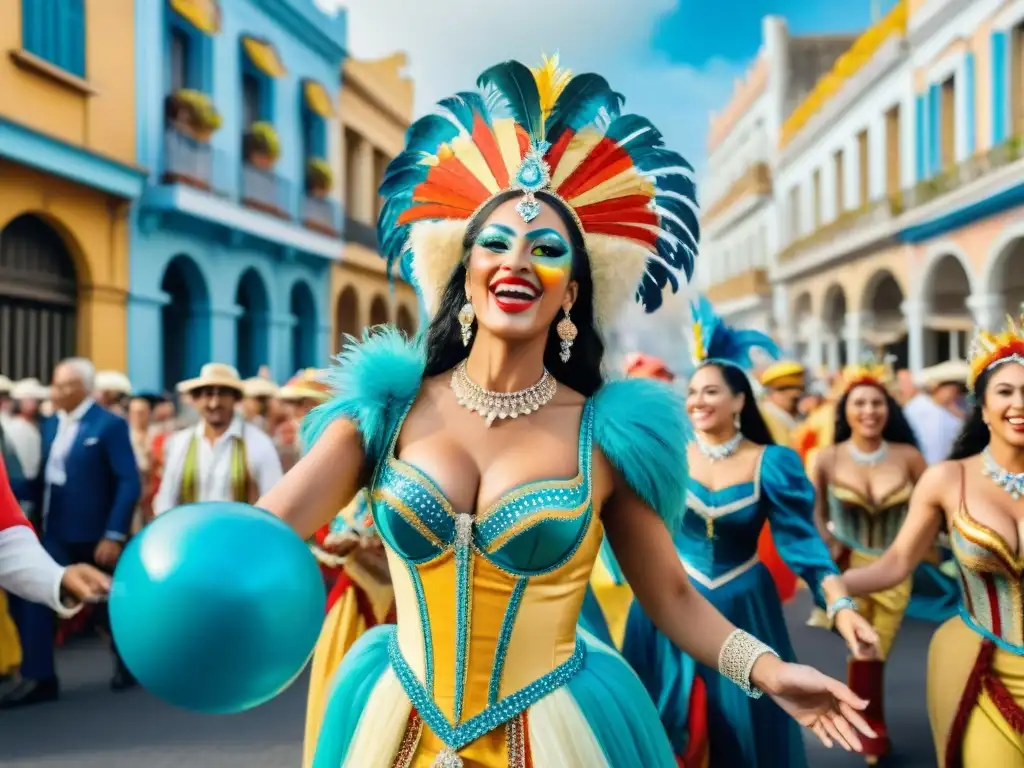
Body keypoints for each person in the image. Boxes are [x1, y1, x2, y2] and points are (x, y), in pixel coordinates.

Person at [248, 57, 874, 766]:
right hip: (399, 728)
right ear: (466, 270)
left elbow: (669, 595)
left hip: (553, 734)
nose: (516, 262)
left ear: (572, 293)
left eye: (545, 249)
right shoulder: (384, 413)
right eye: (495, 242)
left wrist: (767, 670)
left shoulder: (608, 436)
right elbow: (262, 534)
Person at [622, 295, 878, 767]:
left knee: (741, 735)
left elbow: (805, 547)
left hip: (745, 606)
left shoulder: (773, 463)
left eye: (712, 391)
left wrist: (842, 608)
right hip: (666, 605)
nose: (698, 400)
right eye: (693, 391)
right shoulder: (664, 455)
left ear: (740, 400)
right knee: (665, 734)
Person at [839, 314, 1024, 767]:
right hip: (984, 673)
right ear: (980, 408)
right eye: (1006, 391)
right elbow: (898, 560)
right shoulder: (947, 479)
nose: (1020, 402)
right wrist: (833, 583)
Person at [3, 358, 141, 707]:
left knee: (104, 602)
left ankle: (130, 661)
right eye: (55, 383)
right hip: (56, 530)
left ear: (83, 388)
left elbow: (128, 480)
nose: (56, 391)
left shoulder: (108, 424)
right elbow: (45, 478)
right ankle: (40, 676)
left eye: (64, 384)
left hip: (95, 533)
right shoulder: (50, 424)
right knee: (36, 596)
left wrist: (114, 533)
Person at [809, 357, 927, 763]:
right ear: (845, 410)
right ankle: (870, 725)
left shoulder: (909, 456)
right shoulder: (825, 458)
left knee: (878, 648)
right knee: (864, 649)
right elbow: (814, 519)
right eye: (859, 403)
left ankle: (862, 719)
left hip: (895, 568)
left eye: (877, 403)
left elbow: (931, 512)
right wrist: (821, 569)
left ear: (888, 409)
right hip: (847, 569)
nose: (869, 411)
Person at [152, 364, 283, 516]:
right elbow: (166, 500)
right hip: (191, 535)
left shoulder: (258, 443)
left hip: (240, 536)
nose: (214, 403)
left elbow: (274, 500)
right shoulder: (180, 443)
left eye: (222, 394)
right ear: (196, 399)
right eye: (208, 394)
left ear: (236, 398)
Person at [903, 360, 969, 465]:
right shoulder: (917, 406)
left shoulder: (958, 409)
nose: (954, 394)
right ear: (937, 387)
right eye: (950, 389)